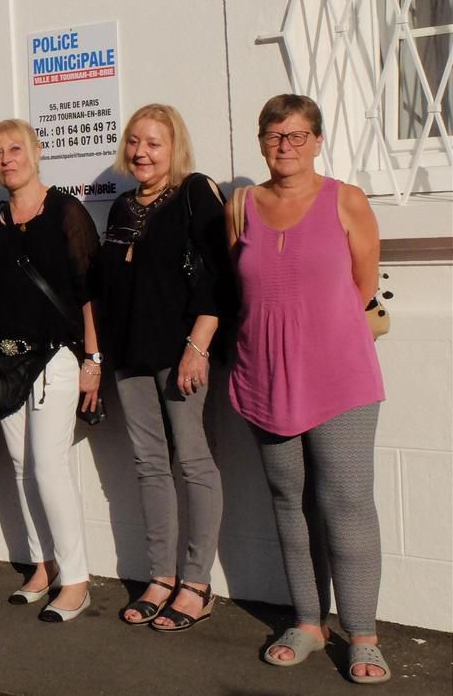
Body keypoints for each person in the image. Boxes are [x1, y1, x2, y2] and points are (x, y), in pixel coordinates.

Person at [228, 94, 390, 683]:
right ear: (261, 141)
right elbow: (239, 286)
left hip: (340, 377)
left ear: (317, 140)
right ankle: (307, 622)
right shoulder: (241, 205)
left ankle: (364, 634)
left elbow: (361, 286)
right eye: (273, 135)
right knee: (288, 503)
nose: (285, 146)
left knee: (346, 505)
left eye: (297, 136)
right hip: (263, 376)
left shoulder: (346, 200)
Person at [96, 104, 230, 631]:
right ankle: (160, 577)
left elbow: (219, 275)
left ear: (174, 148)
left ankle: (196, 582)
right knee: (150, 464)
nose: (141, 152)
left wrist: (197, 346)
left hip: (180, 353)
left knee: (194, 461)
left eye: (153, 142)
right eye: (134, 142)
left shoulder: (196, 192)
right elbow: (108, 289)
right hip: (130, 354)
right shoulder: (122, 207)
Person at [0, 120, 101, 622]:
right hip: (2, 362)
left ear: (37, 153)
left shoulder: (66, 212)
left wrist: (94, 360)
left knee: (48, 466)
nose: (5, 159)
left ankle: (77, 581)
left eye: (15, 148)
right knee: (22, 469)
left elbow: (89, 292)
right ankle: (43, 567)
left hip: (55, 357)